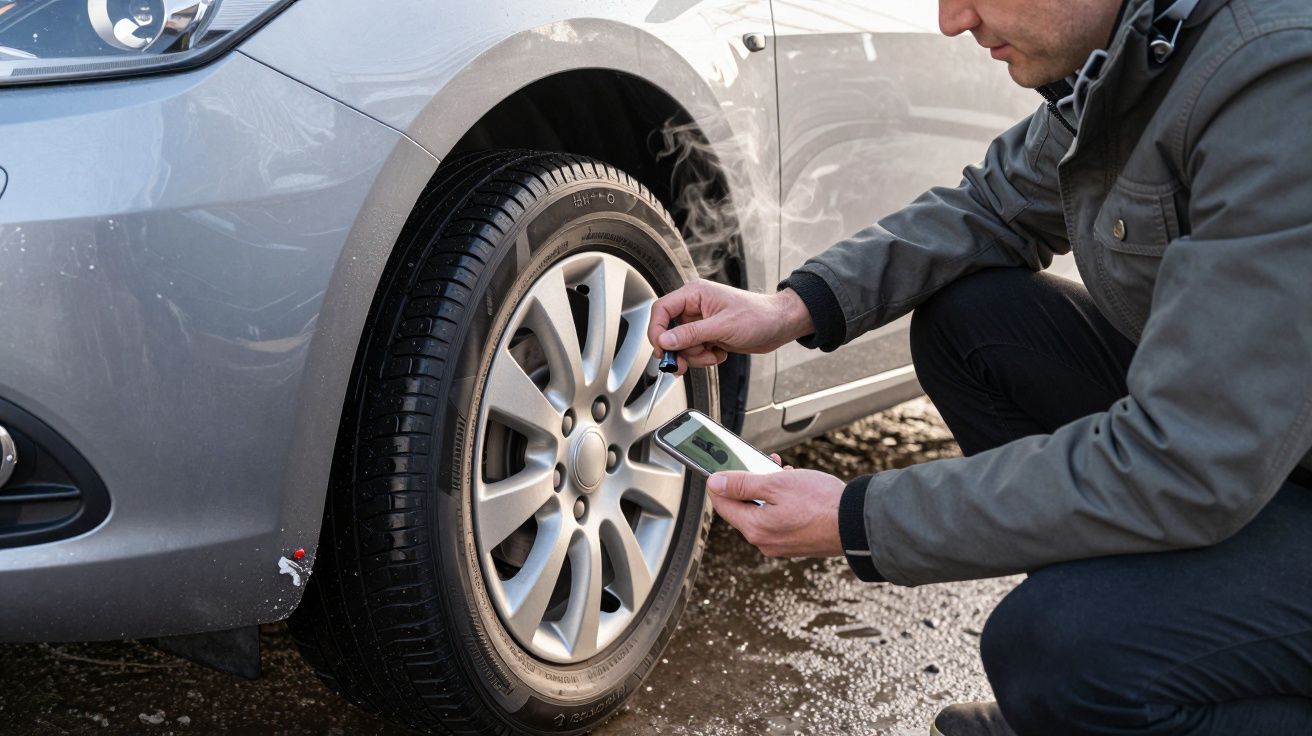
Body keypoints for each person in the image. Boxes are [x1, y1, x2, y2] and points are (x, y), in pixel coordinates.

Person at [646, 0, 1312, 734]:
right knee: (973, 323)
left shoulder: (1278, 78)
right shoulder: (1147, 51)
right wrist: (788, 310)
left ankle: (1115, 684)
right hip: (1263, 451)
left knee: (1051, 646)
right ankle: (1116, 671)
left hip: (1234, 462)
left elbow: (1186, 459)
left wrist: (855, 516)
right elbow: (990, 207)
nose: (950, 19)